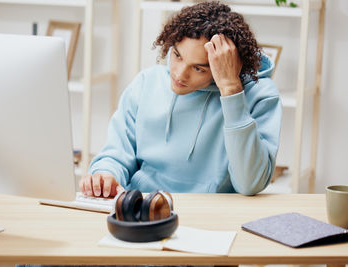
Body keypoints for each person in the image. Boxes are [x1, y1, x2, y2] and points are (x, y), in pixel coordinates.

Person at [79, 1, 282, 199]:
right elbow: (117, 154)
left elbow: (250, 183)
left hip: (211, 215)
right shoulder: (146, 83)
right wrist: (105, 174)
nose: (179, 74)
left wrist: (230, 90)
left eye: (198, 68)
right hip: (143, 206)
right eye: (177, 55)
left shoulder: (259, 95)